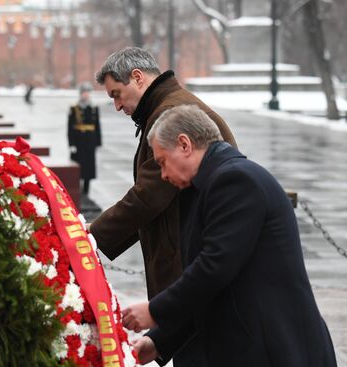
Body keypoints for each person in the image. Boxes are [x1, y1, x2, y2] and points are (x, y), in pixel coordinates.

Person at [122, 104, 337, 366]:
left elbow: (214, 267)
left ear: (184, 144)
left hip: (277, 350)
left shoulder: (235, 181)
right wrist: (158, 342)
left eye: (162, 162)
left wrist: (155, 310)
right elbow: (212, 290)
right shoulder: (207, 185)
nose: (164, 174)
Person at [88, 47, 236, 365]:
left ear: (138, 78)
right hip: (191, 260)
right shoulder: (166, 107)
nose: (116, 106)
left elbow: (148, 196)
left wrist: (90, 237)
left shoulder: (172, 113)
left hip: (192, 263)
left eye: (117, 94)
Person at [67, 82, 101, 196]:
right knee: (78, 166)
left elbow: (97, 125)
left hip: (90, 140)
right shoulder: (74, 108)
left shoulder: (94, 108)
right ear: (80, 94)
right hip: (78, 141)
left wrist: (98, 142)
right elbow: (70, 127)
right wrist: (71, 144)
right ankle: (78, 190)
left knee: (89, 167)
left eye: (87, 93)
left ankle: (86, 191)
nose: (86, 95)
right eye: (84, 93)